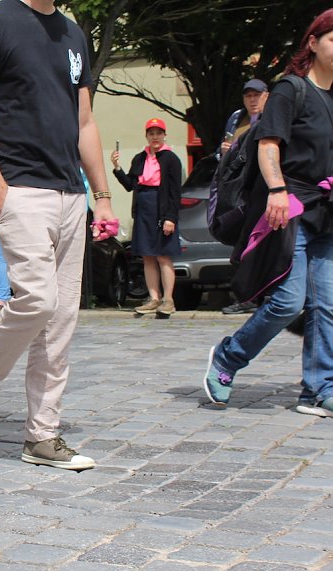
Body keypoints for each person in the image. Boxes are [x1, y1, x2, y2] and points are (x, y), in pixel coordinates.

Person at [0, 0, 116, 470]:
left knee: (61, 319)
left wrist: (101, 194)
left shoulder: (73, 34)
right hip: (19, 189)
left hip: (71, 194)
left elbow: (84, 122)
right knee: (38, 300)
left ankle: (42, 436)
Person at [203, 8, 333, 417]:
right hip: (289, 207)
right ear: (313, 43)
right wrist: (276, 189)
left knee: (327, 305)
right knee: (288, 302)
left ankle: (318, 388)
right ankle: (228, 357)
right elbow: (268, 144)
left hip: (327, 212)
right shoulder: (290, 90)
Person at [110, 118, 182, 316]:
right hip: (143, 209)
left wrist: (171, 217)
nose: (155, 137)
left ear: (164, 135)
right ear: (147, 136)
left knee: (163, 255)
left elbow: (175, 192)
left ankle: (168, 299)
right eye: (151, 133)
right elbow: (130, 185)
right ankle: (154, 297)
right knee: (148, 256)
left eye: (159, 133)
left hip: (161, 208)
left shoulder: (171, 159)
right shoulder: (140, 158)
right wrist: (117, 168)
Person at [220, 79, 269, 316]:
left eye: (257, 95)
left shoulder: (271, 120)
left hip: (265, 192)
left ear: (266, 96)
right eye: (248, 95)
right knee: (242, 247)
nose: (252, 100)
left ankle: (252, 297)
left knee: (252, 247)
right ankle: (250, 296)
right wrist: (224, 155)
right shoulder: (237, 121)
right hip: (242, 194)